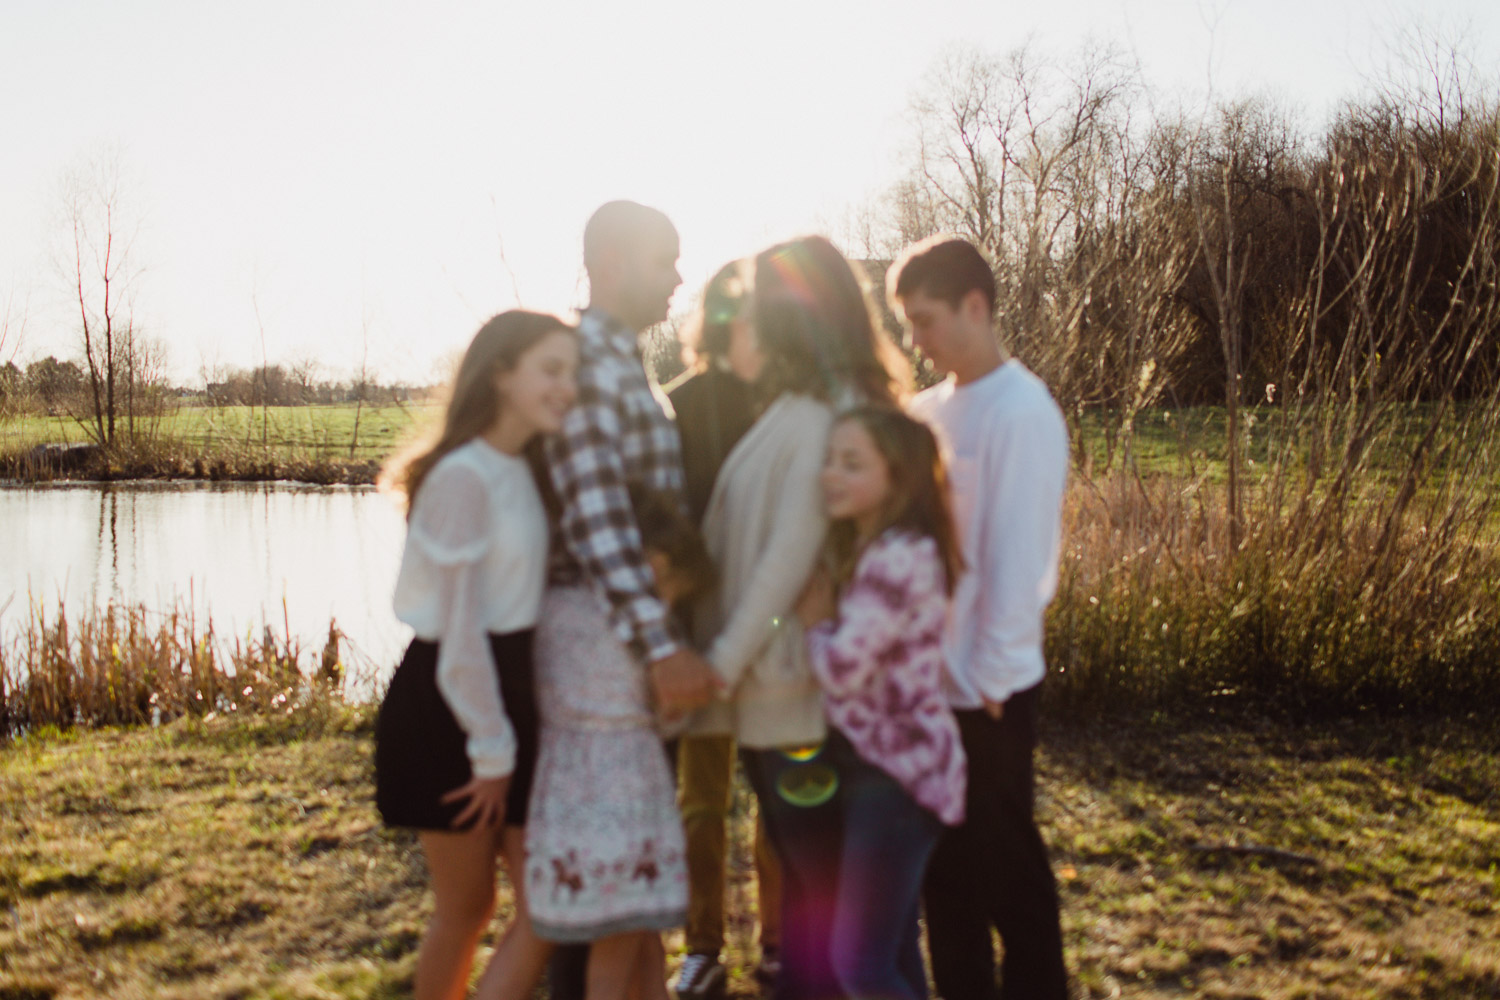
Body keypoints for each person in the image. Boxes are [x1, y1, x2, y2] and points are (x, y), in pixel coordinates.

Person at [690, 235, 907, 1000]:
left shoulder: (826, 418)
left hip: (801, 707)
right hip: (769, 700)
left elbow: (786, 562)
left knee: (826, 919)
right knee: (824, 910)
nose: (741, 316)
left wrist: (718, 662)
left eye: (755, 302)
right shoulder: (790, 410)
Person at [526, 200, 717, 1000]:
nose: (678, 276)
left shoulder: (624, 362)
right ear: (609, 260)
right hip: (606, 648)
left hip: (628, 644)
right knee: (600, 896)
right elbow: (597, 517)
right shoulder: (592, 368)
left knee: (625, 889)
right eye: (663, 259)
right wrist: (660, 644)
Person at [373, 310, 580, 1000]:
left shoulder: (525, 466)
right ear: (500, 373)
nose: (567, 387)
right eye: (551, 370)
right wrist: (492, 751)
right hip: (451, 706)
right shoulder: (462, 479)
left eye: (571, 372)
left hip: (513, 693)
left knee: (546, 904)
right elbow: (460, 634)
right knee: (468, 911)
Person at [890, 235, 1071, 1000]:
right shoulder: (924, 413)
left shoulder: (1022, 411)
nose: (916, 342)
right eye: (908, 325)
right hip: (928, 688)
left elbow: (1020, 564)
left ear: (976, 305)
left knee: (1010, 878)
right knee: (944, 881)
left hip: (987, 694)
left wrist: (990, 687)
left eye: (925, 321)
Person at [794, 406, 967, 1000]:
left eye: (851, 463)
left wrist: (813, 625)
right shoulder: (887, 549)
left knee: (858, 964)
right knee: (890, 950)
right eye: (829, 460)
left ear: (897, 477)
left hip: (898, 777)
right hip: (894, 772)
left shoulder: (897, 557)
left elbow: (842, 669)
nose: (830, 475)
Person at [664, 261, 784, 999]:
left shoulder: (786, 408)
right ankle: (704, 946)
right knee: (706, 803)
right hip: (704, 636)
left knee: (775, 797)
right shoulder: (676, 408)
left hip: (771, 634)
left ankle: (770, 944)